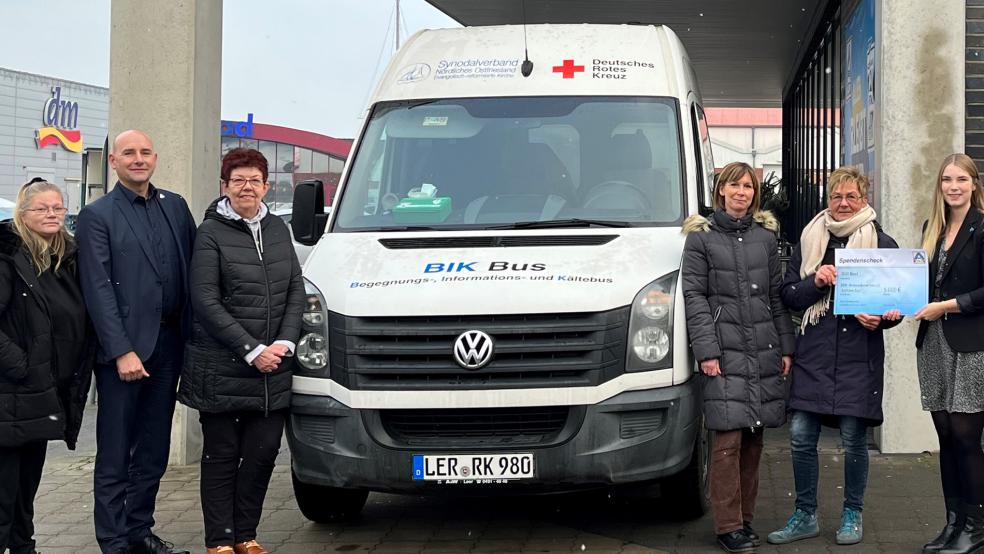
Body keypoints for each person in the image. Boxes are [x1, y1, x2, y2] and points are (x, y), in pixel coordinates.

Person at [767, 166, 903, 546]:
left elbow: (897, 304)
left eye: (851, 197)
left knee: (854, 440)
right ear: (827, 200)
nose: (843, 204)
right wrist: (817, 281)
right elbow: (790, 296)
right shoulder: (810, 239)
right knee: (799, 437)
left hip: (860, 358)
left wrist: (884, 318)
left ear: (865, 200)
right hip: (815, 356)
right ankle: (805, 514)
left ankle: (852, 514)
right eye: (836, 197)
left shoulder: (882, 244)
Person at [178, 148, 304, 554]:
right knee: (222, 456)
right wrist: (251, 349)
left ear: (266, 186)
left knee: (264, 453)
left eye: (254, 180)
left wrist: (283, 343)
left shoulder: (279, 230)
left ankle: (246, 535)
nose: (246, 187)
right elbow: (204, 299)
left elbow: (295, 290)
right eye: (238, 180)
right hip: (224, 367)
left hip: (273, 369)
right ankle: (219, 541)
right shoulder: (211, 232)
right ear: (225, 187)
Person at [76, 130, 196, 554]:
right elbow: (98, 289)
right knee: (115, 454)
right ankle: (113, 542)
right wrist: (121, 350)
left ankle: (139, 533)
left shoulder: (175, 207)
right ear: (114, 161)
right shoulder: (97, 215)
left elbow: (192, 273)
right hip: (124, 353)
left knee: (153, 450)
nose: (139, 159)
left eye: (145, 152)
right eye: (129, 153)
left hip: (169, 346)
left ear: (156, 157)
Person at [682, 161, 796, 553]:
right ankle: (727, 525)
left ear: (754, 194)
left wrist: (786, 346)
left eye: (748, 186)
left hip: (762, 349)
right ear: (721, 191)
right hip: (724, 352)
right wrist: (707, 350)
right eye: (734, 185)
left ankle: (746, 520)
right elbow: (693, 298)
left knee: (754, 439)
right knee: (726, 441)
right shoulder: (701, 239)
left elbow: (776, 299)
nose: (741, 192)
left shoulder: (765, 239)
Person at [0, 179, 93, 554]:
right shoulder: (8, 257)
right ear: (23, 214)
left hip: (46, 393)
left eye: (58, 207)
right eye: (42, 208)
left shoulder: (64, 258)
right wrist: (22, 366)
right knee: (4, 493)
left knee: (26, 489)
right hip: (12, 394)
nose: (52, 214)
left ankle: (25, 548)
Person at [914, 153, 984, 554]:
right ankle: (953, 524)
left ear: (974, 184)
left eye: (961, 179)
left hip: (972, 346)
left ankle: (976, 528)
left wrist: (948, 306)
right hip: (935, 343)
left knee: (966, 435)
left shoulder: (983, 227)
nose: (953, 186)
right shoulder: (933, 228)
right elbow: (922, 287)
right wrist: (899, 303)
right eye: (946, 179)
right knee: (944, 434)